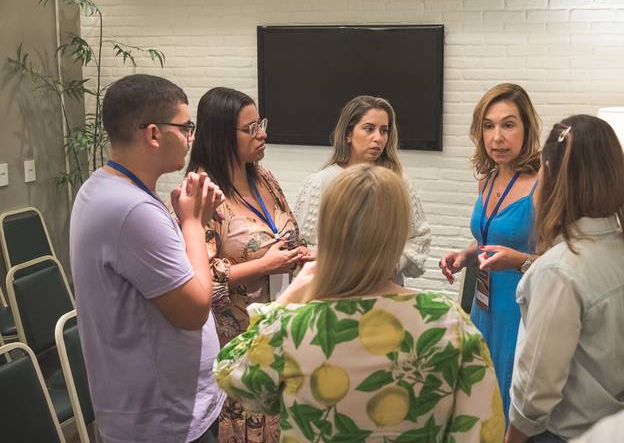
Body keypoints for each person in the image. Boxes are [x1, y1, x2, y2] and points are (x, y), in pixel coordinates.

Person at [215, 165, 504, 442]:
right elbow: (482, 431)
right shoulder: (449, 323)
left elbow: (234, 377)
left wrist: (291, 296)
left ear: (329, 232)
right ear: (399, 233)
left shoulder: (294, 327)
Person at [69, 74, 226, 443]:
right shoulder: (132, 209)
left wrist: (182, 219)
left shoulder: (104, 186)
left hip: (165, 409)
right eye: (185, 128)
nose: (191, 138)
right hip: (164, 420)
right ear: (154, 134)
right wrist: (193, 222)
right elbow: (194, 311)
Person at [187, 87, 313, 442]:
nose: (262, 134)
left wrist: (304, 254)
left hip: (277, 330)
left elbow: (288, 235)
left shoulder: (263, 177)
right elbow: (199, 278)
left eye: (261, 124)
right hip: (235, 345)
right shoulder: (202, 193)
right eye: (250, 128)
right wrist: (263, 265)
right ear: (220, 135)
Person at [505, 115, 624, 443]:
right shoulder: (616, 245)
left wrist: (513, 436)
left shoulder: (559, 270)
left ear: (551, 174)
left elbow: (536, 389)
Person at [439, 83, 542, 423]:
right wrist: (465, 256)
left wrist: (519, 261)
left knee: (512, 397)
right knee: (483, 394)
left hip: (521, 308)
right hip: (484, 305)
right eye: (488, 126)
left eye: (508, 125)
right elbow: (488, 238)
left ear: (527, 129)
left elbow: (565, 260)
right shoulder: (487, 178)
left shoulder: (544, 182)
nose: (497, 137)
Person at [294, 95, 431, 285]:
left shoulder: (399, 182)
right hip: (335, 291)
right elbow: (302, 246)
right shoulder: (320, 182)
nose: (378, 138)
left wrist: (393, 265)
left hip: (386, 290)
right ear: (348, 134)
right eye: (369, 129)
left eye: (384, 131)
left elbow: (419, 237)